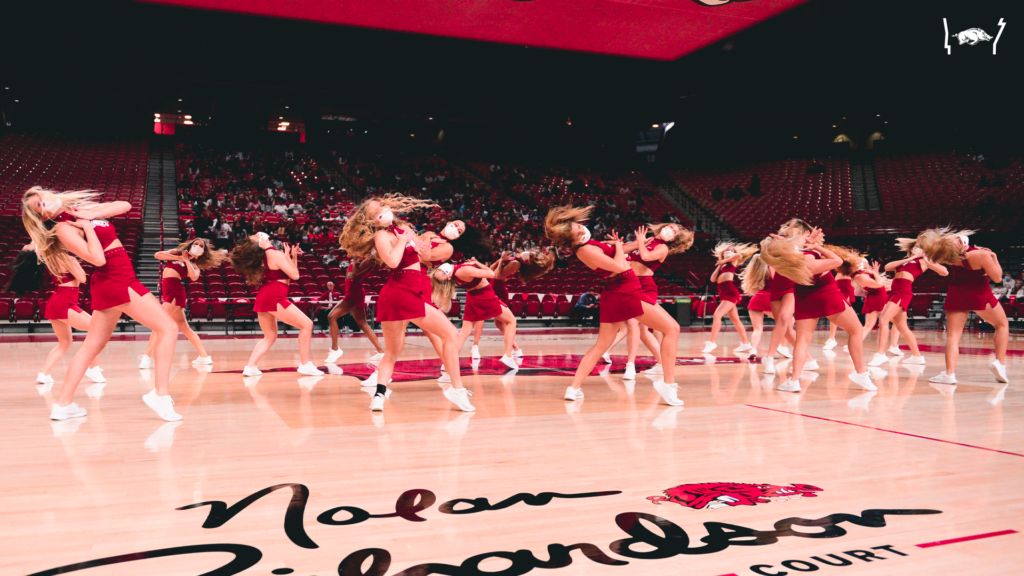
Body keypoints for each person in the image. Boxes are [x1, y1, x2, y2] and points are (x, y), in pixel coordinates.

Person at [22, 187, 182, 421]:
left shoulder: (80, 212)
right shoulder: (64, 229)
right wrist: (87, 226)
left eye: (42, 197)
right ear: (41, 217)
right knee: (168, 329)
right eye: (38, 206)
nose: (44, 202)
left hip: (118, 278)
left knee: (91, 346)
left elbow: (125, 204)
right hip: (115, 277)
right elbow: (97, 258)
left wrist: (88, 216)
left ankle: (64, 405)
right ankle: (160, 395)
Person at [339, 194, 475, 412]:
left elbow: (420, 252)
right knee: (450, 334)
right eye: (377, 211)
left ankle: (378, 397)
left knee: (393, 352)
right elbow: (393, 261)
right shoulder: (383, 235)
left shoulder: (400, 228)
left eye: (383, 206)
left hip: (403, 291)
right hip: (405, 289)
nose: (383, 210)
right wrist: (405, 241)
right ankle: (456, 389)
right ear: (371, 220)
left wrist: (413, 242)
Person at [544, 205, 682, 406]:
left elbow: (622, 250)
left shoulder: (589, 244)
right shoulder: (585, 250)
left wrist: (637, 243)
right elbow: (619, 266)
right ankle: (668, 384)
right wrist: (619, 247)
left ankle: (573, 389)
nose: (582, 229)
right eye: (578, 230)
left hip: (612, 292)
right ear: (571, 239)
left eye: (579, 226)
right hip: (625, 288)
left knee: (601, 345)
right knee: (672, 328)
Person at [759, 219, 874, 393]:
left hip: (804, 295)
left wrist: (795, 244)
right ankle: (860, 373)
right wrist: (816, 247)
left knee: (802, 340)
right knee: (856, 330)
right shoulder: (809, 257)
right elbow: (837, 261)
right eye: (806, 234)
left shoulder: (791, 257)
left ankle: (794, 380)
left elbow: (793, 249)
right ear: (802, 235)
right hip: (826, 293)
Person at [5, 243, 106, 386]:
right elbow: (83, 278)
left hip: (57, 302)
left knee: (65, 343)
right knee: (96, 331)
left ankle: (44, 374)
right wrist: (75, 261)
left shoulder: (51, 258)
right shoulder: (64, 258)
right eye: (30, 245)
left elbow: (33, 245)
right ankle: (93, 368)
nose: (31, 242)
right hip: (64, 303)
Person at [916, 228, 1009, 384]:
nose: (960, 240)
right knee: (1002, 325)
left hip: (957, 293)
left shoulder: (949, 257)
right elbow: (998, 278)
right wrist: (994, 257)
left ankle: (949, 374)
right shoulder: (981, 255)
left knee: (953, 336)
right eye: (958, 241)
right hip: (980, 293)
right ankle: (999, 363)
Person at [231, 233, 324, 378]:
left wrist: (292, 257)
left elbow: (288, 273)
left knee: (269, 336)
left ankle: (250, 367)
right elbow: (295, 276)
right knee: (307, 325)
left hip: (264, 296)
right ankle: (305, 364)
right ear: (260, 241)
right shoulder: (274, 253)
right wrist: (288, 257)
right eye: (255, 236)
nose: (256, 234)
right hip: (274, 296)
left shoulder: (265, 256)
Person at [612, 223, 694, 378]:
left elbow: (645, 257)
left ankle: (630, 365)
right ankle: (661, 363)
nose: (670, 230)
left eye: (674, 231)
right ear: (662, 226)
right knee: (642, 331)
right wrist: (621, 244)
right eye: (670, 227)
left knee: (632, 323)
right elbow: (624, 251)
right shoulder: (648, 240)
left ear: (675, 238)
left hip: (645, 285)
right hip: (630, 282)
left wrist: (641, 242)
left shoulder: (663, 248)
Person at [139, 238, 223, 368]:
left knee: (158, 322)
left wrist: (187, 260)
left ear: (203, 252)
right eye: (196, 244)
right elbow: (157, 255)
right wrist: (179, 258)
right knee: (185, 328)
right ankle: (204, 357)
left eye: (201, 246)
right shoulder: (177, 252)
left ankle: (146, 356)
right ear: (191, 244)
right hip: (167, 290)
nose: (197, 246)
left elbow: (194, 277)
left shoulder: (195, 264)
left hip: (175, 291)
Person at [867, 239, 947, 367]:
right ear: (911, 249)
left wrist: (927, 260)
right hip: (895, 290)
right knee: (902, 326)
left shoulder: (923, 262)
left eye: (921, 247)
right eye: (916, 247)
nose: (918, 249)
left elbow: (944, 272)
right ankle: (917, 356)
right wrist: (909, 258)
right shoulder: (905, 261)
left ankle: (880, 354)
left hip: (903, 290)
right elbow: (888, 266)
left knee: (883, 319)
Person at [430, 260, 519, 370]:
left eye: (439, 270)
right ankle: (508, 356)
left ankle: (447, 362)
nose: (442, 269)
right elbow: (492, 274)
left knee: (463, 334)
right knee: (511, 321)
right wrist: (478, 263)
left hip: (472, 297)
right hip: (485, 295)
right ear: (448, 276)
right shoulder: (464, 270)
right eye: (443, 272)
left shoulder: (456, 273)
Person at [325, 258, 386, 363]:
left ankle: (335, 349)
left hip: (354, 292)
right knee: (363, 324)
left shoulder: (369, 260)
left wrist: (355, 259)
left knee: (331, 317)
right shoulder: (357, 258)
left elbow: (355, 272)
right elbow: (348, 275)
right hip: (352, 291)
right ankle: (381, 352)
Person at [703, 242, 757, 355]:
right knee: (735, 320)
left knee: (717, 315)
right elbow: (713, 279)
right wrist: (719, 264)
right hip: (723, 293)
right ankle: (745, 343)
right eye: (727, 250)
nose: (729, 251)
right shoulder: (722, 264)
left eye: (732, 250)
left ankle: (711, 342)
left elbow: (739, 256)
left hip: (731, 292)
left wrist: (725, 260)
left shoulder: (733, 260)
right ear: (722, 253)